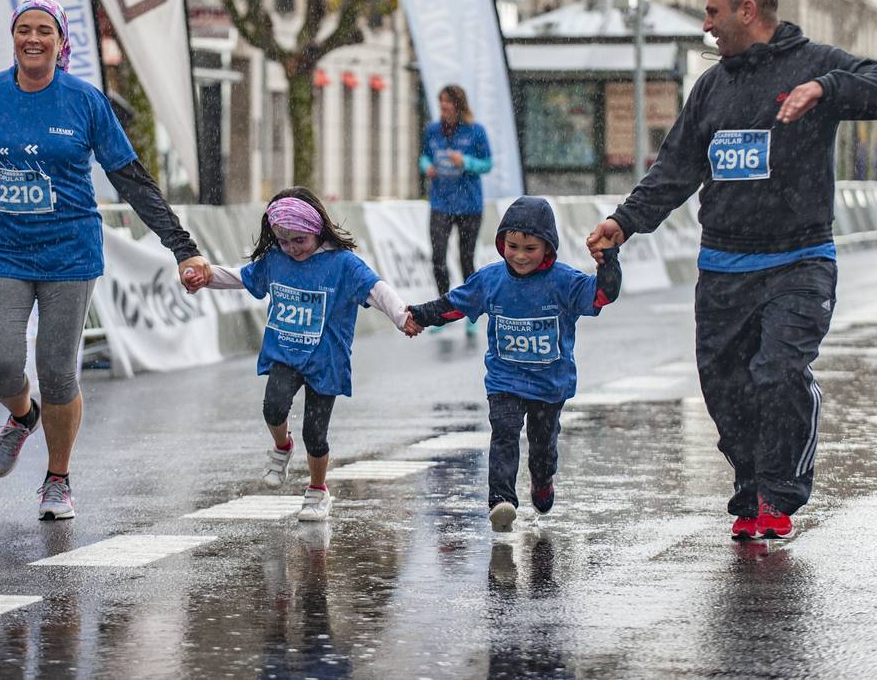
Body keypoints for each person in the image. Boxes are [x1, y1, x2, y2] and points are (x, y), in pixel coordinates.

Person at [585, 0, 877, 541]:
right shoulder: (711, 88)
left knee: (779, 372)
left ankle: (780, 492)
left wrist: (827, 89)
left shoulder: (813, 63)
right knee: (724, 387)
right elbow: (677, 168)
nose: (705, 25)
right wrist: (624, 221)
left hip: (799, 260)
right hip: (724, 266)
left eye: (712, 13)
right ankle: (752, 487)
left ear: (748, 11)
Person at [0, 0, 212, 521]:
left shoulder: (86, 102)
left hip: (69, 252)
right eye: (24, 29)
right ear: (14, 37)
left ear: (61, 41)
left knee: (59, 372)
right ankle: (22, 417)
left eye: (44, 30)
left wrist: (182, 246)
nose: (33, 39)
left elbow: (130, 179)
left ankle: (57, 479)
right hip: (2, 250)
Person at [194, 188, 419, 522]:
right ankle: (282, 447)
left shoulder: (343, 264)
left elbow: (377, 290)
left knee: (315, 434)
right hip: (285, 353)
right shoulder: (277, 260)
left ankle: (317, 491)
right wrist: (206, 276)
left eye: (298, 240)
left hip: (325, 360)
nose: (291, 249)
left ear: (316, 229)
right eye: (283, 241)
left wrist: (402, 317)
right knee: (273, 407)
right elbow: (242, 278)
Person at [408, 196, 622, 533]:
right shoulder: (492, 280)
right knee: (504, 434)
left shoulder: (564, 281)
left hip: (549, 384)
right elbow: (455, 304)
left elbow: (602, 296)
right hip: (505, 380)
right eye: (512, 246)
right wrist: (419, 314)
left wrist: (608, 260)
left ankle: (542, 479)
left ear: (548, 247)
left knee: (542, 444)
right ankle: (501, 500)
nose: (520, 256)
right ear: (501, 243)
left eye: (530, 248)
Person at [420, 84, 491, 335]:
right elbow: (424, 156)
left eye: (447, 102)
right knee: (438, 256)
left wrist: (467, 162)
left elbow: (487, 164)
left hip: (469, 204)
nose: (443, 107)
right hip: (441, 202)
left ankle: (471, 311)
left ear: (458, 104)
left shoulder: (476, 131)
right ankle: (443, 309)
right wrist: (426, 166)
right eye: (441, 102)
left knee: (466, 258)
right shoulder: (433, 130)